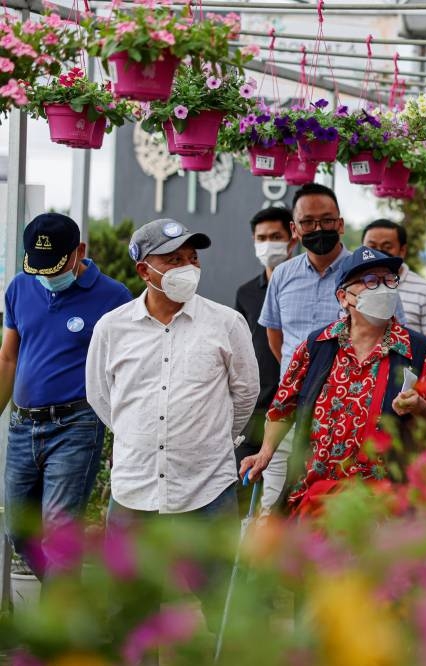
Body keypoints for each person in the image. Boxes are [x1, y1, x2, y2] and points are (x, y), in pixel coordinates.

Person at [86, 218, 258, 627]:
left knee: (222, 608)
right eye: (174, 259)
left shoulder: (227, 323)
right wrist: (139, 436)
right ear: (144, 269)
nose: (188, 267)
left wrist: (208, 440)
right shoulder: (112, 329)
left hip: (207, 490)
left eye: (192, 258)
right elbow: (101, 397)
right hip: (135, 493)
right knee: (132, 612)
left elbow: (245, 394)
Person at [239, 248, 426, 515]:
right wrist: (266, 452)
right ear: (344, 297)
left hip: (387, 508)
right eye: (370, 282)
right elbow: (282, 407)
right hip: (315, 498)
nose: (384, 289)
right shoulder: (317, 345)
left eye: (389, 280)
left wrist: (420, 407)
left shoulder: (419, 351)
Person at [257, 183, 404, 509]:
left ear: (340, 223)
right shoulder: (282, 275)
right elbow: (275, 337)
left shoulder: (368, 274)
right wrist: (302, 379)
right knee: (276, 509)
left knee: (339, 511)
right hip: (290, 412)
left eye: (326, 220)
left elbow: (395, 337)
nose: (318, 229)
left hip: (349, 416)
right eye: (308, 222)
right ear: (294, 229)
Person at [1, 213, 132, 579]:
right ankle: (72, 608)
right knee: (17, 529)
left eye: (54, 265)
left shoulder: (113, 297)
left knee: (59, 536)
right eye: (38, 267)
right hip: (22, 426)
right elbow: (8, 356)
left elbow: (123, 368)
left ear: (80, 252)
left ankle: (58, 633)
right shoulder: (19, 288)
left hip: (76, 425)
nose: (45, 275)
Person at [234, 207, 296, 505]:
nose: (268, 243)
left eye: (276, 236)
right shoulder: (246, 292)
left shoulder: (302, 287)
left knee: (282, 495)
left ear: (292, 238)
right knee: (242, 485)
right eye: (262, 238)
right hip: (254, 406)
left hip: (293, 406)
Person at [362, 218, 426, 362]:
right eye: (372, 246)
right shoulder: (354, 287)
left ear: (402, 250)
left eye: (387, 246)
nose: (377, 252)